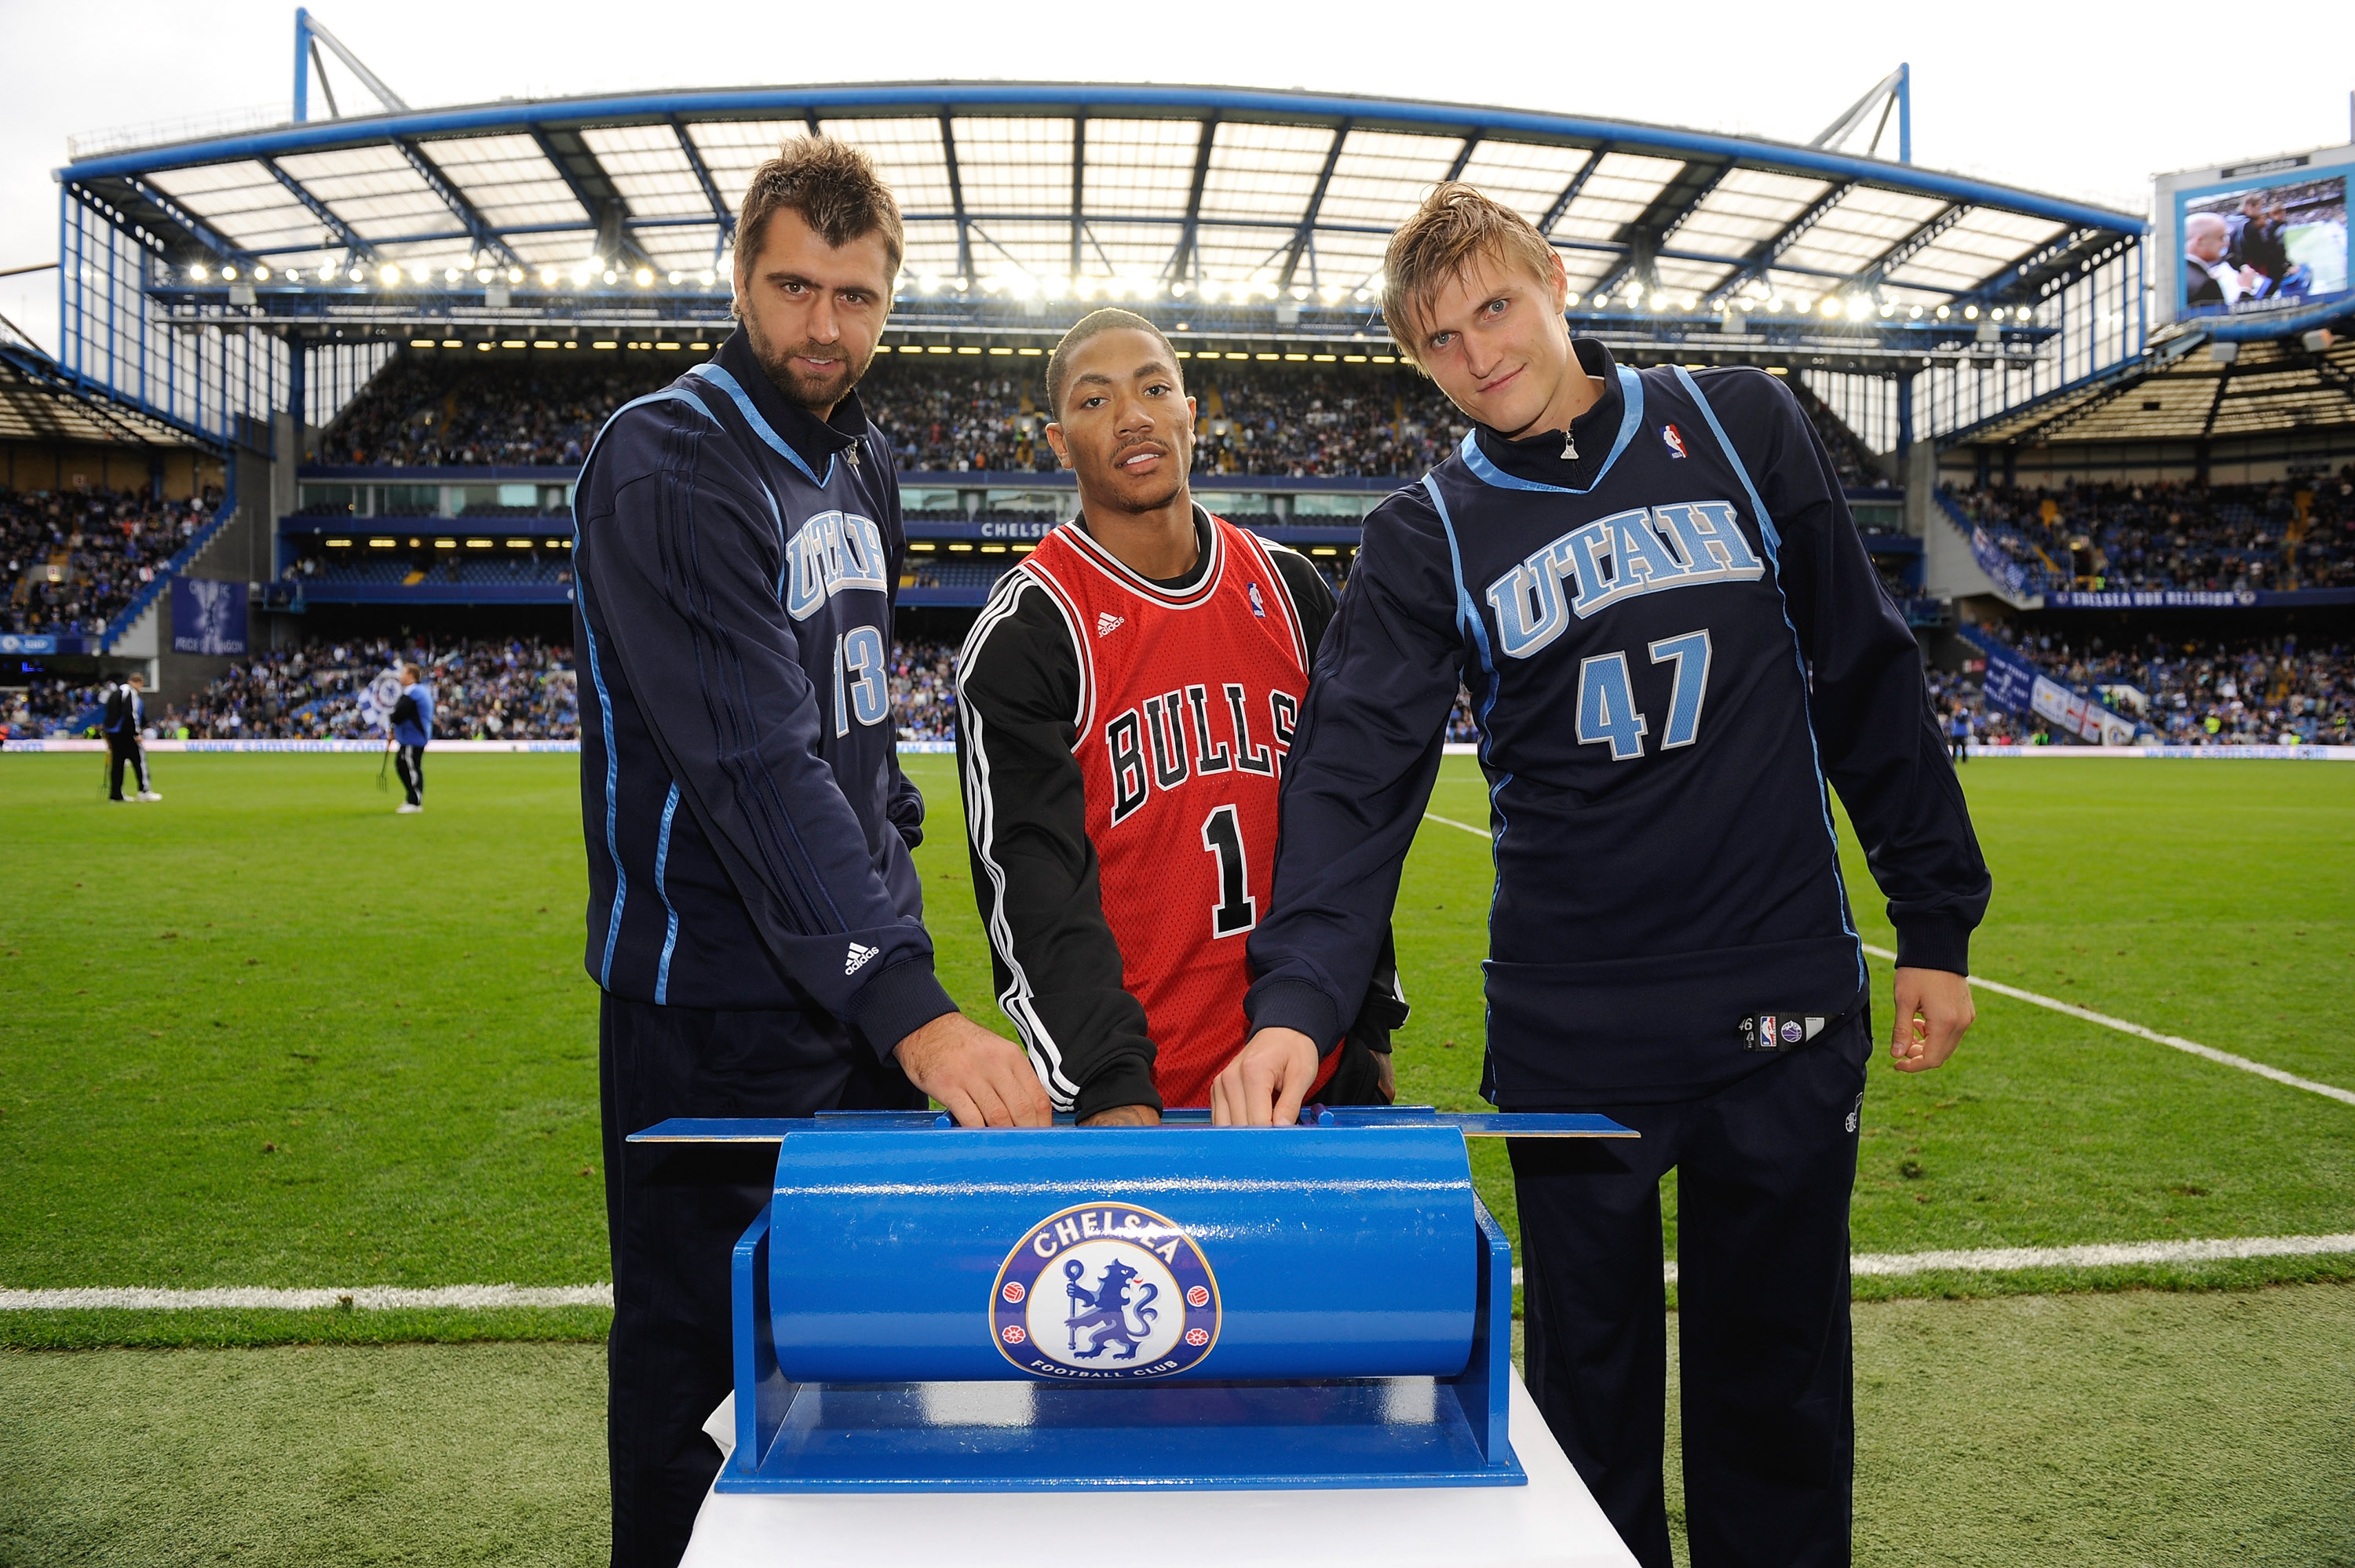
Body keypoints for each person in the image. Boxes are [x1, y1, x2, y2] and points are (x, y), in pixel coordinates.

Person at [1214, 184, 1991, 1566]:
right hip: (1580, 1039)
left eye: (1497, 307)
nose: (1482, 352)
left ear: (1555, 279)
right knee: (1590, 1426)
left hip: (1782, 1008)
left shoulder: (1742, 424)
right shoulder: (1426, 530)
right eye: (1442, 338)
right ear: (1418, 360)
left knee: (1780, 1409)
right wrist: (1298, 1001)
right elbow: (1352, 780)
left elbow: (1865, 669)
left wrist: (1933, 916)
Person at [570, 136, 1050, 1568]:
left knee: (860, 1347)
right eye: (793, 286)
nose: (824, 326)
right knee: (696, 1370)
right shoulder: (668, 460)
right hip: (706, 1000)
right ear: (741, 276)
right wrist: (916, 1008)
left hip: (838, 991)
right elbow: (753, 767)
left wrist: (892, 916)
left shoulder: (864, 458)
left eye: (855, 294)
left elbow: (856, 733)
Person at [953, 309, 1404, 1125]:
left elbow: (1348, 828)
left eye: (1154, 388)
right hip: (1143, 1098)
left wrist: (1366, 1020)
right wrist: (1109, 1084)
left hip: (1308, 1069)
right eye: (1095, 402)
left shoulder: (1294, 589)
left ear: (1190, 416)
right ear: (1057, 444)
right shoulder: (1031, 628)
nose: (1132, 416)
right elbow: (1032, 884)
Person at [102, 671, 159, 802]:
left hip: (113, 733)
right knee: (139, 761)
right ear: (139, 683)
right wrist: (136, 733)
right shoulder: (131, 693)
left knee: (118, 764)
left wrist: (107, 734)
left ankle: (116, 794)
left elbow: (108, 715)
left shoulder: (116, 692)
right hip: (126, 733)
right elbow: (130, 714)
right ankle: (144, 791)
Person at [388, 662, 433, 813]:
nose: (401, 676)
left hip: (414, 737)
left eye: (403, 673)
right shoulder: (417, 691)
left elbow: (399, 713)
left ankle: (415, 802)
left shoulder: (413, 692)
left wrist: (392, 721)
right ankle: (410, 798)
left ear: (411, 676)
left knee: (411, 767)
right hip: (409, 737)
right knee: (402, 766)